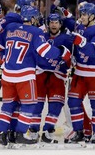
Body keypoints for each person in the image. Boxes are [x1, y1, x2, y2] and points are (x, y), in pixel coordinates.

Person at [0, 5, 71, 146]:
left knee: (7, 106)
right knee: (29, 105)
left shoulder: (10, 28)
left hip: (7, 75)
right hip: (25, 76)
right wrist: (62, 53)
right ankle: (20, 134)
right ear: (32, 19)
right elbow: (45, 51)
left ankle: (2, 134)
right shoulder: (35, 32)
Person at [65, 3, 95, 145]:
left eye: (84, 14)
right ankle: (79, 131)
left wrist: (81, 42)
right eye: (81, 14)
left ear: (92, 16)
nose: (81, 17)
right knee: (73, 101)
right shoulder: (80, 28)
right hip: (80, 71)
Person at [29, 13, 73, 143]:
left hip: (58, 75)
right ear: (48, 24)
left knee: (56, 105)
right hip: (40, 74)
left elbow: (70, 59)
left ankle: (48, 131)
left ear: (60, 24)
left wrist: (68, 61)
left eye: (56, 22)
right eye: (51, 22)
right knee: (37, 104)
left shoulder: (67, 39)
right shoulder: (41, 36)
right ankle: (33, 131)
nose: (53, 24)